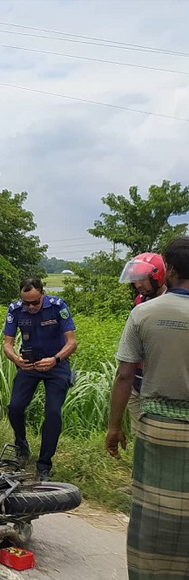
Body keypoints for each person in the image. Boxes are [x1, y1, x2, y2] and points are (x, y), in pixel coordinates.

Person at [105, 236, 189, 580]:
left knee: (153, 505)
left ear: (169, 270)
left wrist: (113, 426)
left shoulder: (144, 313)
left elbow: (124, 375)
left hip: (156, 420)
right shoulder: (141, 304)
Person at [2, 277, 77, 481]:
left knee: (53, 413)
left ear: (43, 294)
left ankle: (44, 465)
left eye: (35, 302)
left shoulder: (57, 306)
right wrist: (16, 359)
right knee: (15, 407)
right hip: (29, 364)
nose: (31, 307)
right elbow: (7, 344)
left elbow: (71, 342)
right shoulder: (15, 309)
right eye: (26, 303)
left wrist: (55, 359)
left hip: (56, 365)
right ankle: (21, 447)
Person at [118, 252, 168, 436]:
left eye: (142, 279)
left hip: (160, 382)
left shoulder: (172, 302)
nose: (138, 284)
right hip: (137, 378)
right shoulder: (140, 300)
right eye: (135, 280)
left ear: (157, 276)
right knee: (139, 434)